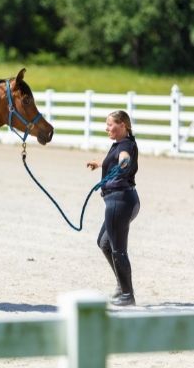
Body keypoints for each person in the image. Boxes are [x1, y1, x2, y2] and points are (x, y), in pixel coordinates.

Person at [87, 110, 140, 306]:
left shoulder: (125, 145)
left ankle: (127, 295)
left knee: (118, 249)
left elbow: (124, 159)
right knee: (104, 243)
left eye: (110, 124)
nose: (106, 128)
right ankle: (122, 286)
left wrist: (124, 164)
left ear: (123, 125)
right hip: (120, 201)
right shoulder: (120, 144)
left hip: (120, 201)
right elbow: (118, 158)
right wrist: (100, 163)